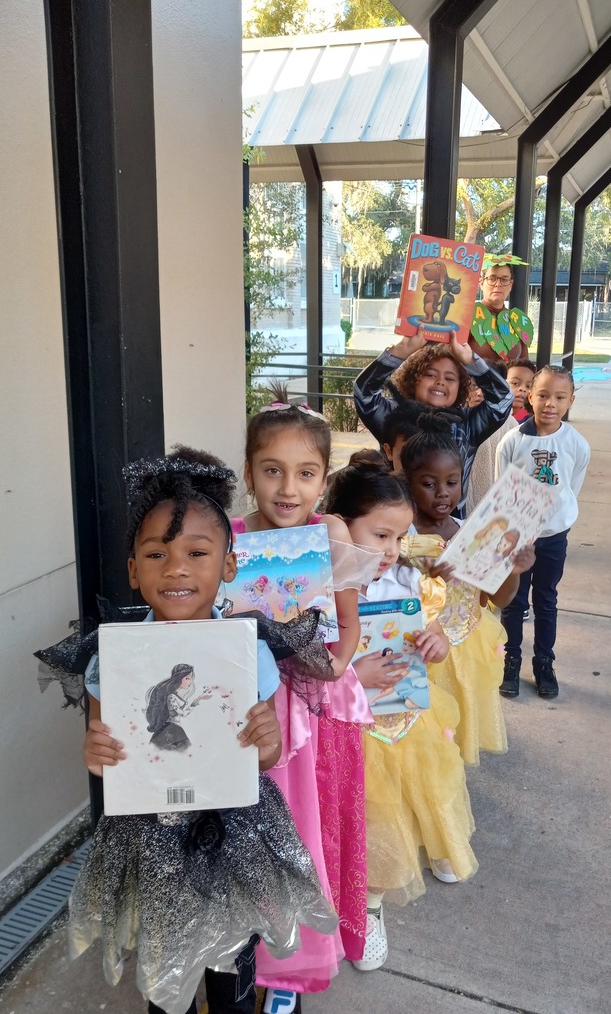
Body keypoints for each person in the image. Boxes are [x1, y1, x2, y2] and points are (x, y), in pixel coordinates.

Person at [68, 446, 337, 1014]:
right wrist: (97, 751)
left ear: (229, 565)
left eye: (197, 551)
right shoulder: (112, 658)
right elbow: (102, 756)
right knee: (168, 972)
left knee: (233, 962)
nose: (177, 568)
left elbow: (264, 757)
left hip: (234, 829)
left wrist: (267, 743)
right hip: (151, 832)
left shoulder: (249, 653)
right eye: (156, 553)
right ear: (133, 570)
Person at [236, 393, 374, 1014]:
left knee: (313, 834)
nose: (288, 488)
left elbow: (349, 625)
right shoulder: (230, 537)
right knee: (264, 836)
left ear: (323, 477)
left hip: (319, 704)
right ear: (248, 473)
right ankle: (255, 955)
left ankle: (293, 972)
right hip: (259, 710)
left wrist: (338, 663)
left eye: (306, 473)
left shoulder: (331, 532)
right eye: (272, 470)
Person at [326, 457, 477, 972]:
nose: (391, 551)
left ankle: (409, 867)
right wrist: (352, 678)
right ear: (339, 525)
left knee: (415, 796)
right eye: (379, 536)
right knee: (365, 814)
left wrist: (435, 640)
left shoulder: (405, 579)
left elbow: (451, 615)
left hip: (404, 720)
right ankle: (360, 902)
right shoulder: (319, 591)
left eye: (399, 537)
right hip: (347, 728)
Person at [399, 413, 535, 764]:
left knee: (458, 739)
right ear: (408, 483)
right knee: (426, 743)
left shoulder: (473, 532)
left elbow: (497, 599)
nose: (443, 492)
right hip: (424, 654)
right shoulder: (400, 540)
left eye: (452, 482)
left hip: (469, 647)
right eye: (429, 483)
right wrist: (428, 579)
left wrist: (514, 570)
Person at [495, 366, 591, 699]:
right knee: (514, 601)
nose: (550, 403)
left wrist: (556, 519)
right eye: (543, 395)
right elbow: (502, 491)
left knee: (546, 599)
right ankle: (510, 658)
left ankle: (543, 662)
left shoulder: (576, 444)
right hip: (519, 536)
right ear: (529, 396)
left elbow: (571, 487)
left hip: (553, 536)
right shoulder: (512, 441)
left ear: (570, 401)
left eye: (560, 397)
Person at [353, 328, 513, 516]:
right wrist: (402, 350)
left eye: (450, 378)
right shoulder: (394, 416)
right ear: (413, 379)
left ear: (460, 387)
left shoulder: (467, 424)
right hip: (396, 519)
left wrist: (469, 360)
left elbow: (503, 400)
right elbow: (364, 394)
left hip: (448, 524)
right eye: (430, 374)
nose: (440, 382)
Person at [465, 358, 537, 513]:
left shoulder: (511, 425)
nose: (479, 392)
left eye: (486, 388)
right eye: (473, 386)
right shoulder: (457, 421)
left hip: (494, 507)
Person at [470, 257, 534, 364]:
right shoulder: (469, 315)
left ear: (510, 285)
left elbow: (525, 366)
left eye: (504, 279)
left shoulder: (517, 320)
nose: (498, 284)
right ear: (481, 283)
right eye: (492, 278)